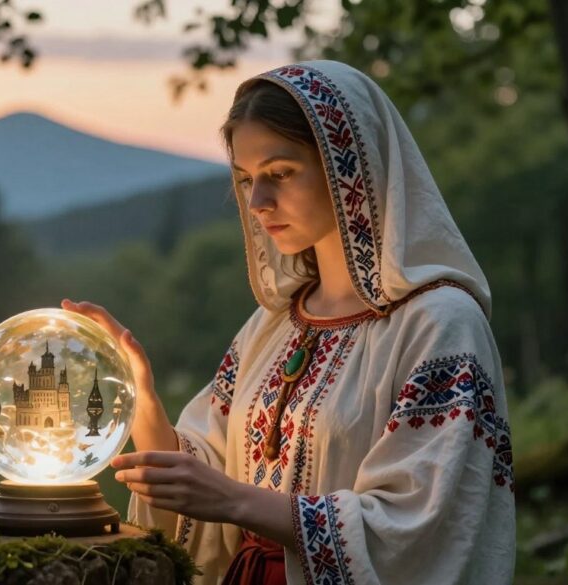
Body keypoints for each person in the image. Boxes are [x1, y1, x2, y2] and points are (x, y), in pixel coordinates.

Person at [62, 60, 515, 585]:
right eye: (247, 179)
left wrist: (233, 500)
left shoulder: (440, 325)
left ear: (350, 172)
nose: (257, 203)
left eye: (280, 174)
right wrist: (140, 398)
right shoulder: (273, 327)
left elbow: (421, 528)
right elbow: (203, 493)